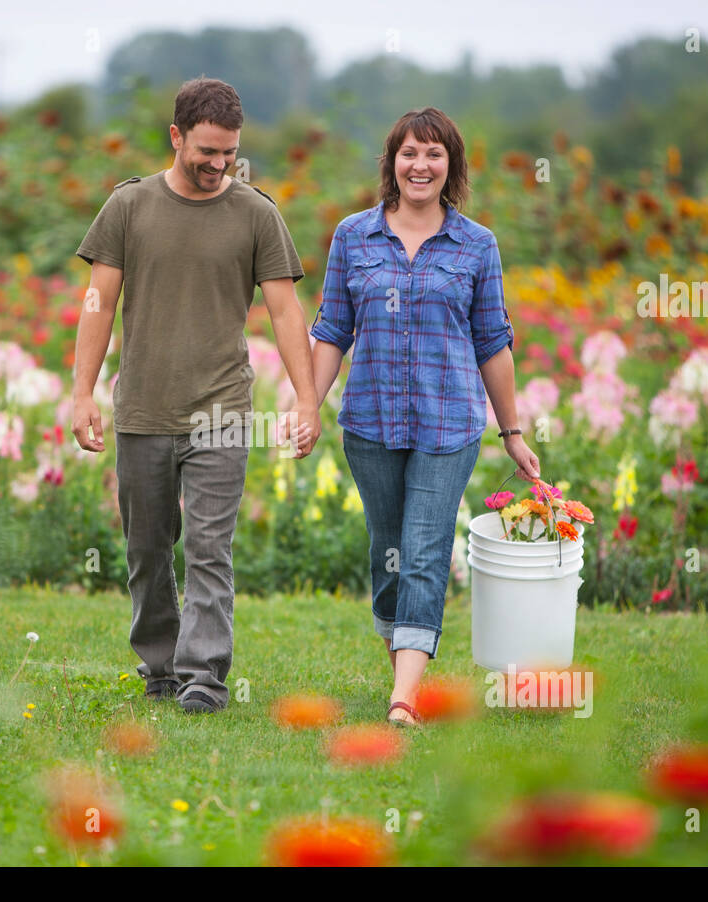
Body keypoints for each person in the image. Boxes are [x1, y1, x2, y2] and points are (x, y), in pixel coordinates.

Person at [69, 77, 321, 715]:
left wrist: (307, 398)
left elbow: (287, 313)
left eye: (228, 153)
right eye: (206, 151)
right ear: (176, 136)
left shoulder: (257, 213)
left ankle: (204, 677)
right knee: (148, 550)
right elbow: (98, 303)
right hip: (145, 408)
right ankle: (160, 666)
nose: (217, 165)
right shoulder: (129, 207)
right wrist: (82, 393)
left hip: (224, 410)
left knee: (211, 548)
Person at [296, 107, 540, 726]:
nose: (420, 165)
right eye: (409, 153)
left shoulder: (477, 245)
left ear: (450, 165)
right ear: (391, 163)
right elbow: (332, 329)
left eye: (433, 154)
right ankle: (406, 659)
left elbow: (494, 342)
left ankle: (404, 696)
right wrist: (308, 406)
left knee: (426, 550)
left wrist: (512, 432)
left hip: (447, 425)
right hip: (370, 425)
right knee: (388, 555)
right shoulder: (354, 237)